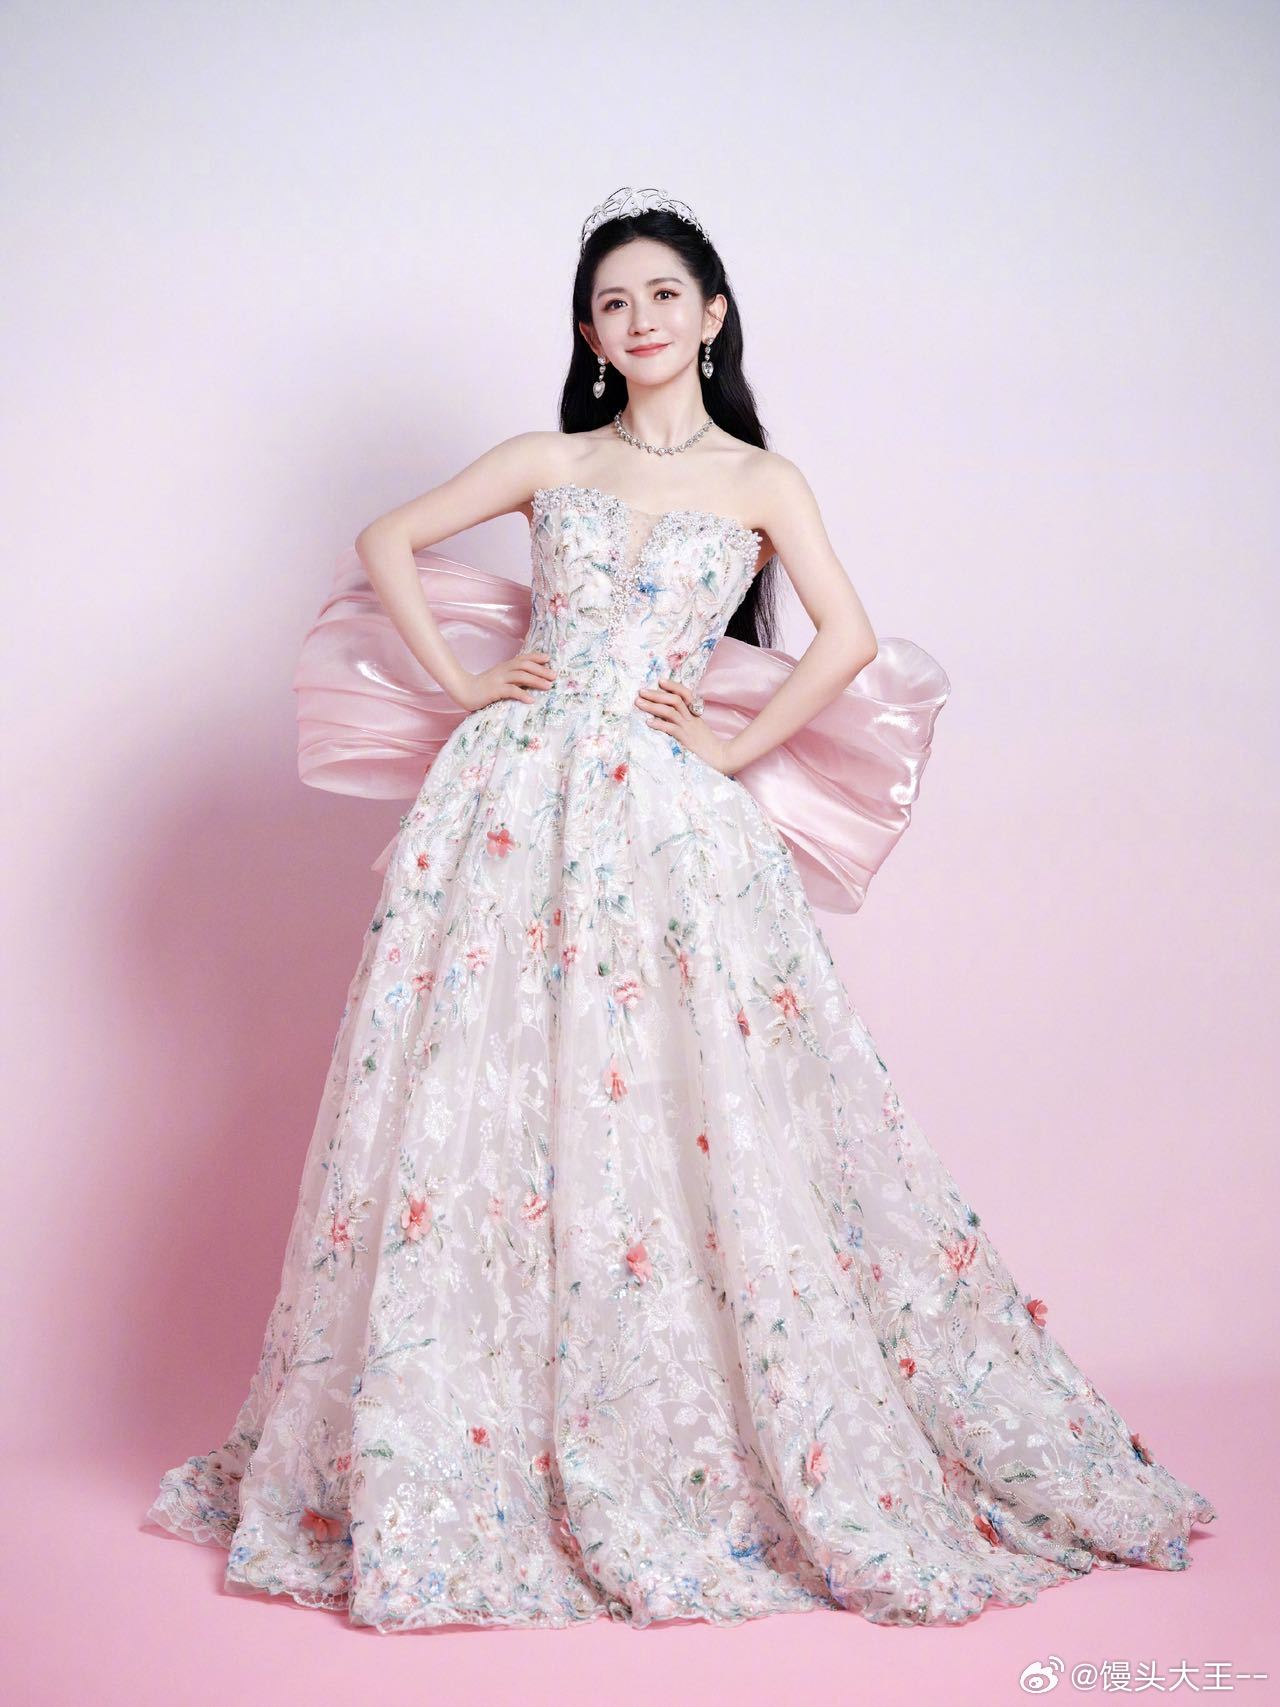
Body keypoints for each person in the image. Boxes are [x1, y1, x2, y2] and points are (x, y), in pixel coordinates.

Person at [147, 186, 1215, 1631]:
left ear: (712, 315)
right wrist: (468, 686)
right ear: (591, 335)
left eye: (662, 294)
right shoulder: (552, 458)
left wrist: (729, 746)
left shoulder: (762, 482)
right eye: (612, 302)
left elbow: (846, 638)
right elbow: (385, 536)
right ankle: (474, 1432)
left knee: (682, 1098)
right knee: (481, 1097)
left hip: (667, 822)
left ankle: (681, 1433)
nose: (638, 318)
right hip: (512, 803)